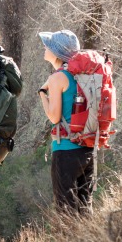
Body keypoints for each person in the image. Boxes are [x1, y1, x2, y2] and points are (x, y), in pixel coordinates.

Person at [37, 29, 95, 215]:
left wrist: (42, 94)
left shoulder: (57, 78)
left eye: (49, 45)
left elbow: (54, 117)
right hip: (88, 148)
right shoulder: (84, 74)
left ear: (57, 53)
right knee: (85, 208)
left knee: (66, 211)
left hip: (66, 151)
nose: (45, 47)